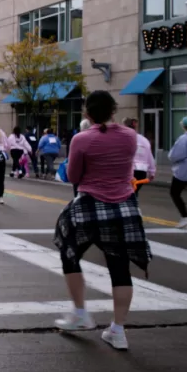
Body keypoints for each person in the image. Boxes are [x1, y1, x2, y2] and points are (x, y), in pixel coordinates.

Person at [53, 90, 149, 351]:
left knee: (69, 252)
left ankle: (81, 313)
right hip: (124, 208)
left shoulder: (81, 140)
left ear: (87, 113)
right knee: (120, 269)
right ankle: (118, 330)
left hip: (89, 206)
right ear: (114, 110)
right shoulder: (131, 137)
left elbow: (73, 176)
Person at [122, 117, 156, 197]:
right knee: (134, 194)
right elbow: (149, 156)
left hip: (128, 172)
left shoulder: (123, 139)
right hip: (141, 173)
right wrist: (152, 172)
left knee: (126, 196)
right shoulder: (144, 140)